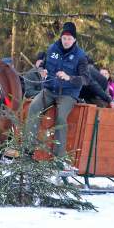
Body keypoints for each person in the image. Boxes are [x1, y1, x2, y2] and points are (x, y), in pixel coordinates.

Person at [27, 22, 89, 170]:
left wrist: (69, 78)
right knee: (33, 107)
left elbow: (86, 79)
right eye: (64, 38)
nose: (66, 41)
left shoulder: (80, 56)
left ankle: (59, 157)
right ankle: (28, 149)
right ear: (61, 38)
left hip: (68, 93)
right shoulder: (52, 49)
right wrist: (42, 70)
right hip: (49, 89)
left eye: (69, 38)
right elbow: (44, 65)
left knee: (61, 117)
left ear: (74, 40)